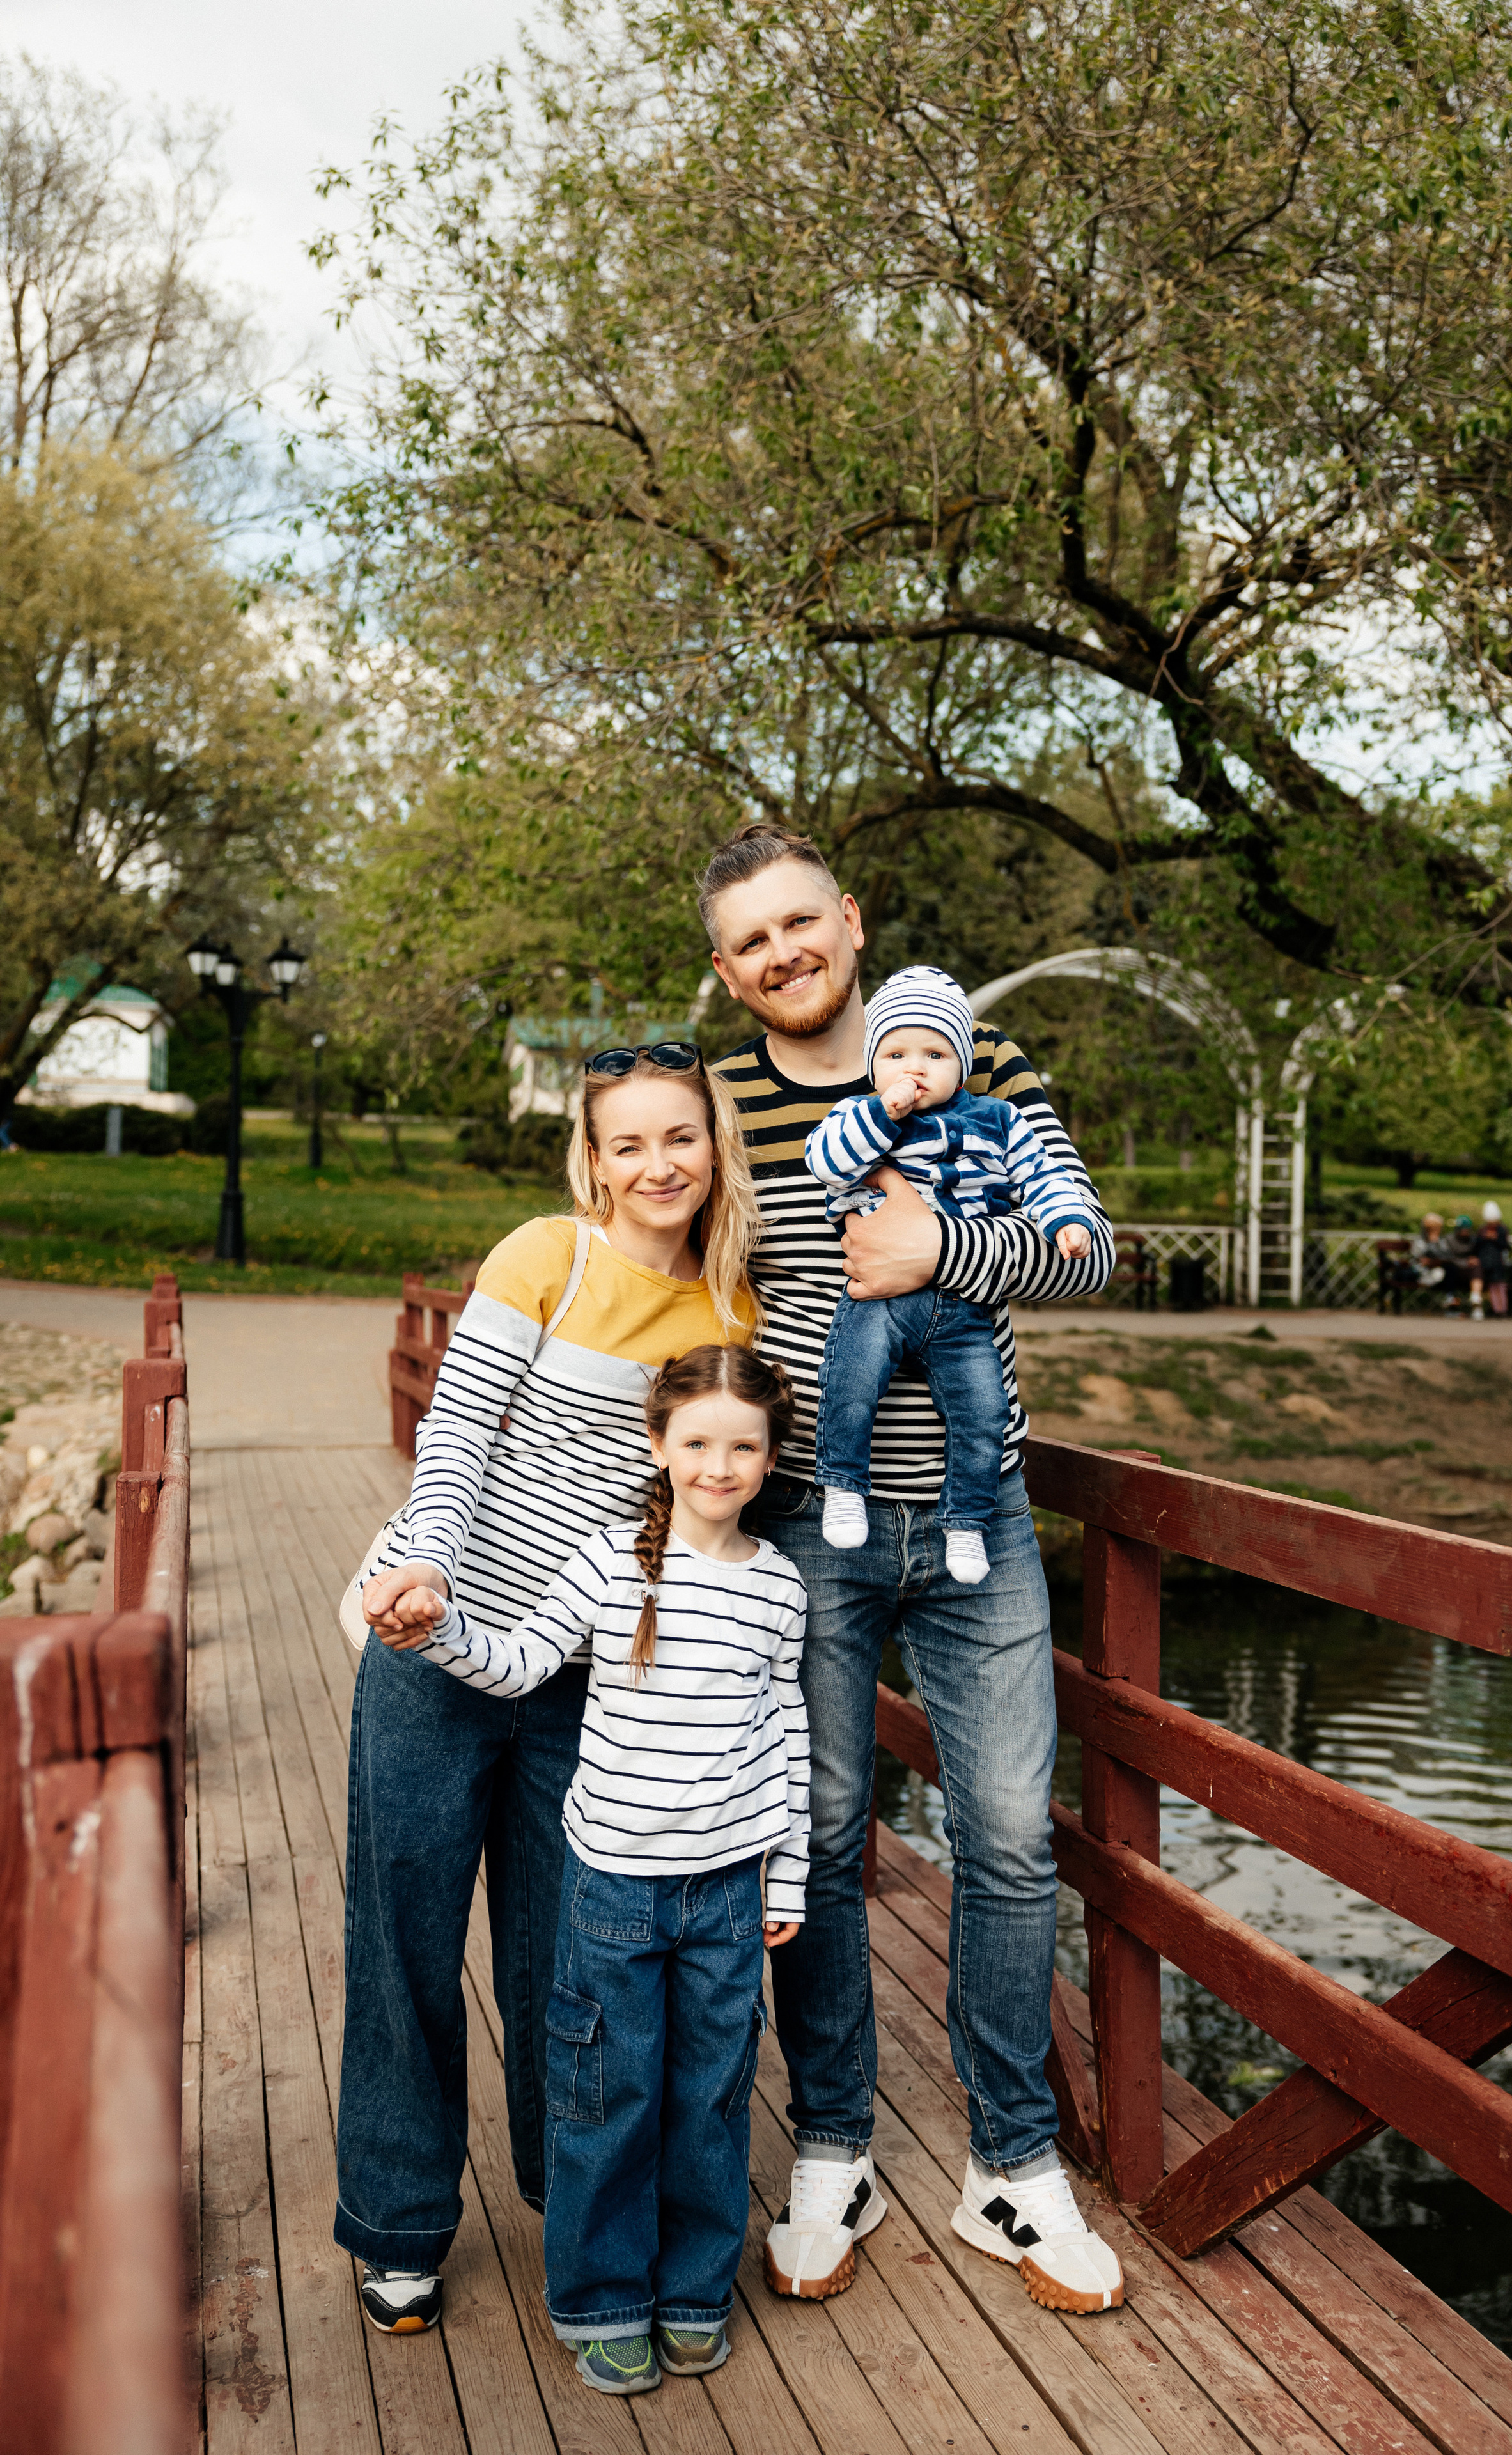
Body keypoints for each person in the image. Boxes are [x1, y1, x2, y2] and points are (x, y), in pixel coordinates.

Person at [703, 821, 1126, 2319]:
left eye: (798, 922)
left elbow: (1086, 1251)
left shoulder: (980, 1058)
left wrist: (937, 1247)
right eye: (750, 941)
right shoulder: (724, 1099)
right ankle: (835, 2144)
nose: (782, 954)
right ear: (727, 971)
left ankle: (1010, 2158)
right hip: (802, 1520)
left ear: (850, 918)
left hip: (975, 1517)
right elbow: (674, 1280)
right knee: (818, 1835)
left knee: (1007, 1833)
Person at [335, 1045, 760, 2335]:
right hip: (436, 1645)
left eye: (678, 1137)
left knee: (563, 1963)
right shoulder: (544, 1258)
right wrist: (424, 1567)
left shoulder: (731, 1313)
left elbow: (704, 1508)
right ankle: (400, 2221)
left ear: (713, 1145)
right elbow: (457, 1437)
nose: (657, 1164)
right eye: (628, 1142)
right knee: (404, 1942)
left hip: (587, 1681)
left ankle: (565, 2193)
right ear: (594, 1158)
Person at [373, 1345, 807, 2397]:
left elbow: (787, 1733)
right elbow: (522, 1664)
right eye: (696, 1442)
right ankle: (604, 2300)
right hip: (614, 1886)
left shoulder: (780, 1586)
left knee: (710, 2098)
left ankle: (694, 2292)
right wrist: (441, 1630)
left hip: (727, 1893)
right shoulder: (612, 1563)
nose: (718, 1466)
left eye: (742, 1447)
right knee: (608, 2092)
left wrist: (787, 1877)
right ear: (658, 1446)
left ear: (770, 1457)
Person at [805, 965, 1098, 1584]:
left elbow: (1042, 1175)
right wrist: (883, 1113)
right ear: (872, 1064)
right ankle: (842, 1484)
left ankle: (966, 1520)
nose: (914, 1068)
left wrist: (1066, 1220)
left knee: (983, 1410)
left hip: (964, 1307)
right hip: (878, 1300)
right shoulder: (857, 1114)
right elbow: (826, 1162)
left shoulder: (999, 1119)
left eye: (934, 1055)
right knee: (851, 1379)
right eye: (896, 1055)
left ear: (961, 1066)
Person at [1478, 1199, 1511, 1316]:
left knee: (1500, 1285)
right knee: (1492, 1286)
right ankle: (1495, 1308)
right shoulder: (1483, 1230)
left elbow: (1505, 1246)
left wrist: (1496, 1239)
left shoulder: (1502, 1230)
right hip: (1487, 1262)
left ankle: (1503, 1309)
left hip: (1499, 1262)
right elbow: (1478, 1245)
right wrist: (1485, 1238)